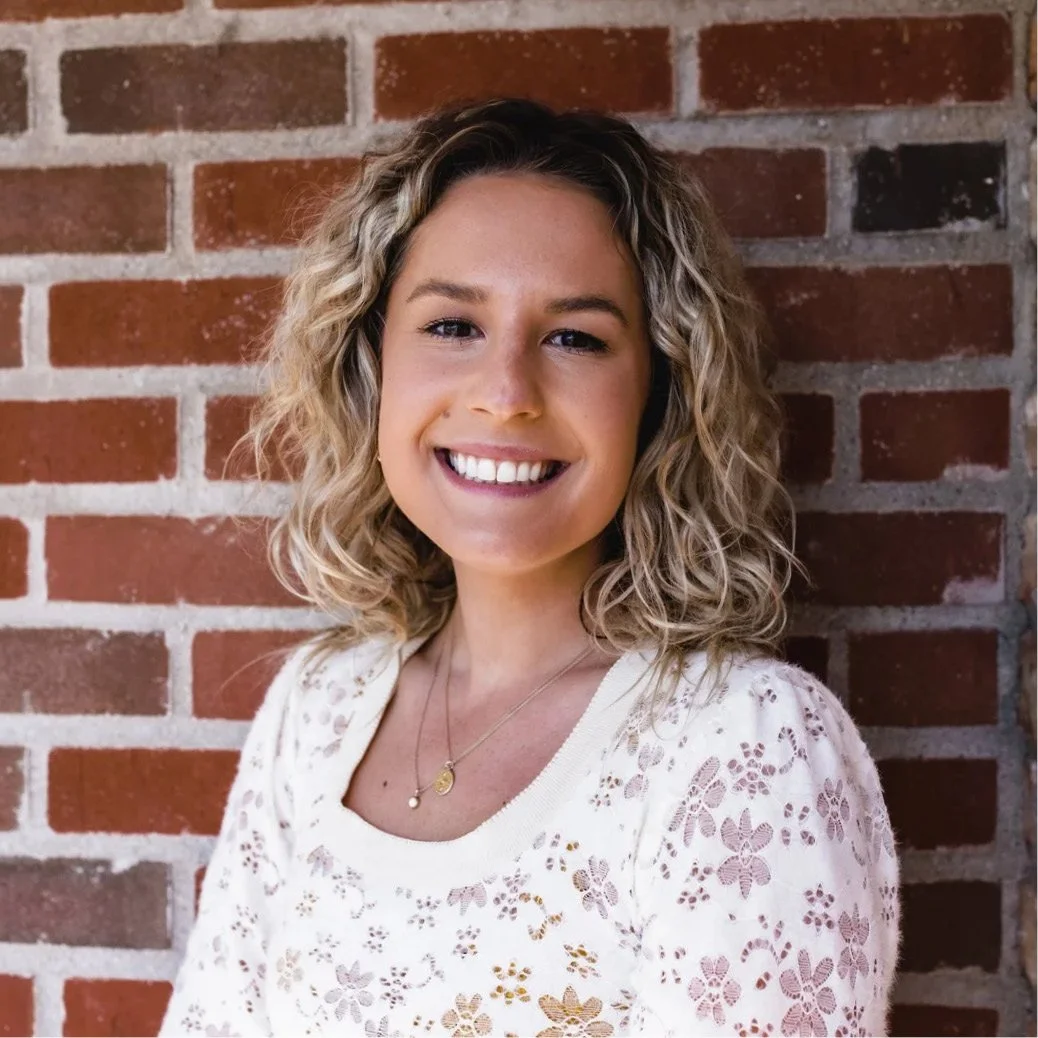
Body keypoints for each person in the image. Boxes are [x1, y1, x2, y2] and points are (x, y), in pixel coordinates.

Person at [161, 98, 900, 1037]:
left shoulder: (742, 747)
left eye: (575, 337)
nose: (506, 394)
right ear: (371, 365)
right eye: (452, 326)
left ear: (659, 396)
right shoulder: (318, 709)